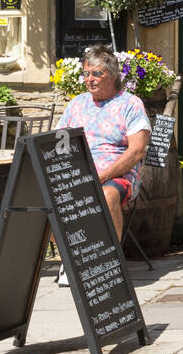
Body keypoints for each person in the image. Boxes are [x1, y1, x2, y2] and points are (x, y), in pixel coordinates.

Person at [55, 43, 149, 243]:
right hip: (79, 174)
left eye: (96, 73)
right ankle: (74, 254)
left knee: (106, 196)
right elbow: (58, 144)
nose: (89, 79)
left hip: (118, 175)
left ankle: (109, 264)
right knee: (42, 197)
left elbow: (137, 151)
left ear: (114, 75)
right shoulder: (76, 104)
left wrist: (103, 175)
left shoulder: (130, 104)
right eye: (86, 74)